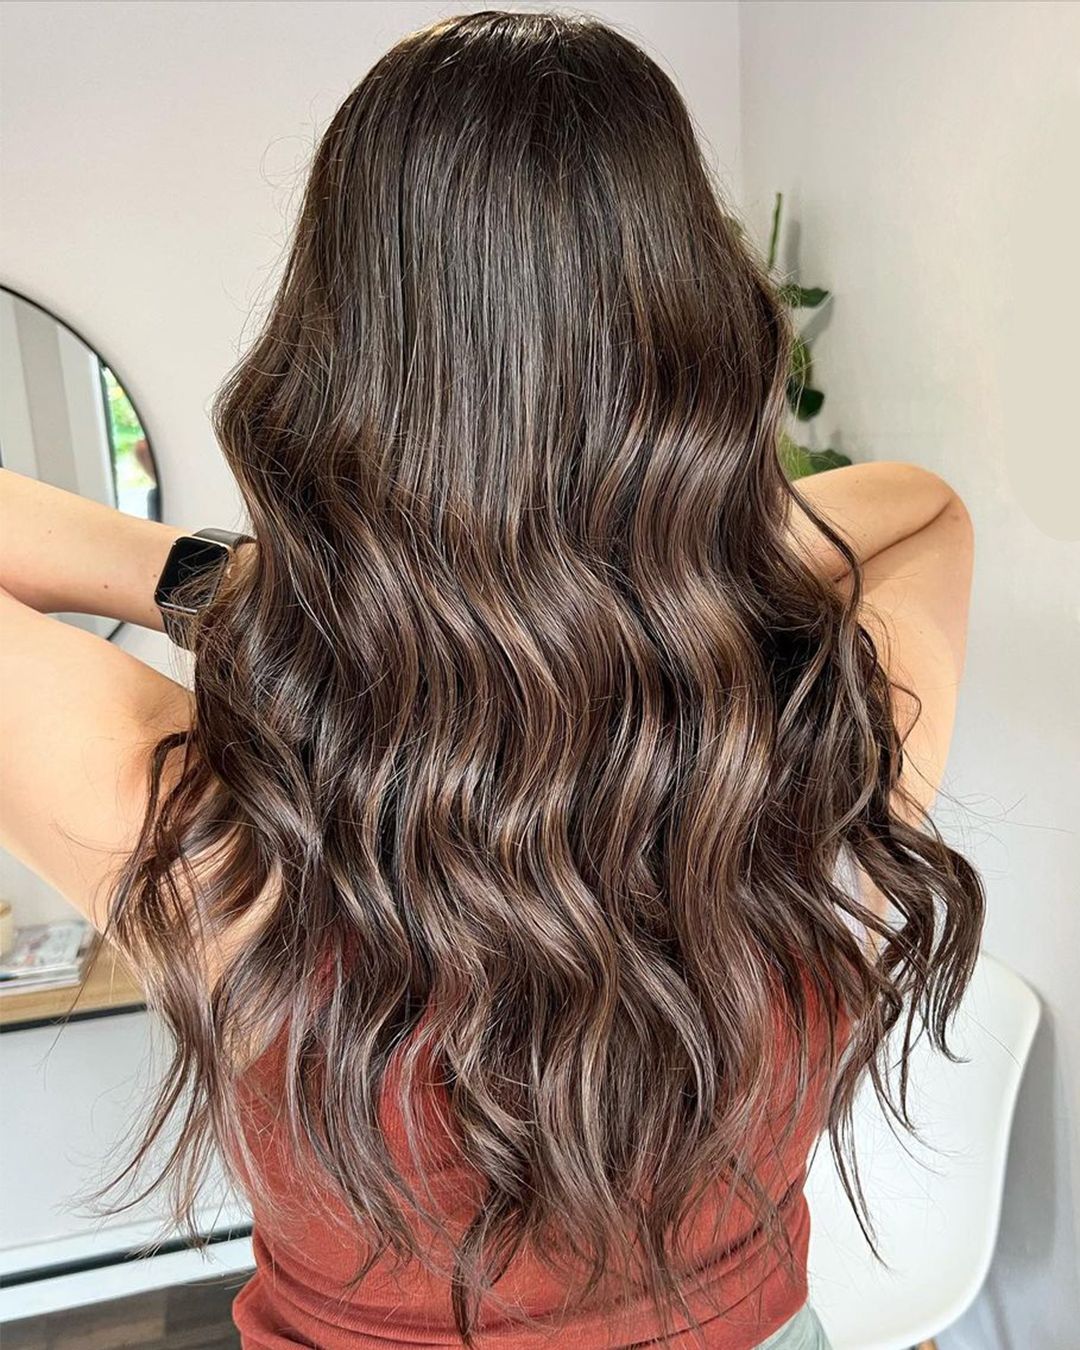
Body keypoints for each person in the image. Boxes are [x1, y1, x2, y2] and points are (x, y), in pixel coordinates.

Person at [0, 11, 983, 1349]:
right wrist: (659, 571)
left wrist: (235, 584)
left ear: (330, 376)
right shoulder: (816, 756)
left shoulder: (210, 833)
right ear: (704, 357)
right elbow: (918, 510)